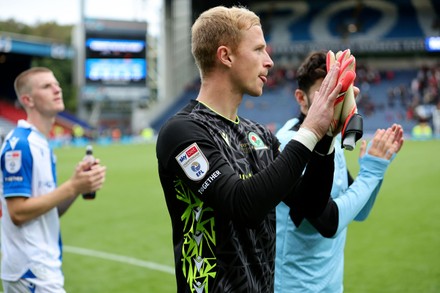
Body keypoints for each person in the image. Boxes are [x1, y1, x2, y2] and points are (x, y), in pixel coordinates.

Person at [156, 5, 364, 292]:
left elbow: (311, 205)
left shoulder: (259, 135)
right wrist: (310, 130)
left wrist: (326, 136)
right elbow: (243, 206)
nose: (269, 62)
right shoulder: (182, 132)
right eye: (258, 50)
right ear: (226, 55)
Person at [274, 51, 404, 293]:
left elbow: (360, 211)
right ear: (301, 99)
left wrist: (376, 166)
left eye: (340, 91)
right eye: (325, 92)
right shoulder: (285, 146)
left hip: (332, 286)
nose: (336, 100)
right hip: (294, 287)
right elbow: (328, 222)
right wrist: (371, 174)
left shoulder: (331, 142)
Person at [0, 67, 107, 292]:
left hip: (42, 268)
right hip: (30, 271)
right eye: (46, 86)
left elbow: (48, 210)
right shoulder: (19, 144)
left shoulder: (40, 143)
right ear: (28, 100)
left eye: (56, 84)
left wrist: (79, 185)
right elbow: (18, 212)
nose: (57, 89)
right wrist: (72, 185)